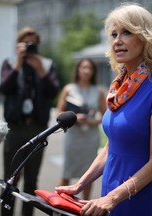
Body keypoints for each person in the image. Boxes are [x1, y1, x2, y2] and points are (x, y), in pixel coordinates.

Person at [55, 3, 152, 216]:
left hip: (137, 196)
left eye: (127, 32)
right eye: (113, 35)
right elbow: (110, 146)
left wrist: (113, 198)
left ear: (145, 38)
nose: (117, 41)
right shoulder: (118, 88)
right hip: (109, 190)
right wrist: (80, 185)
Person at [0, 27, 59, 216]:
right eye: (26, 42)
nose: (29, 46)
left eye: (33, 43)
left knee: (31, 182)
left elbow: (53, 91)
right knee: (10, 180)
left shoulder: (47, 64)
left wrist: (40, 70)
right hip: (15, 128)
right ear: (19, 44)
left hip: (38, 128)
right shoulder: (9, 63)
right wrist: (18, 64)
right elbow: (4, 89)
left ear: (38, 45)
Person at [56, 58, 106, 200]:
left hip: (90, 137)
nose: (86, 71)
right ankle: (60, 205)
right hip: (73, 136)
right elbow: (58, 113)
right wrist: (74, 117)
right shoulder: (69, 89)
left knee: (89, 174)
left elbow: (105, 116)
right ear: (78, 69)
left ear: (93, 71)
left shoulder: (99, 91)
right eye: (83, 67)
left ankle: (84, 206)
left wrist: (91, 121)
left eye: (89, 68)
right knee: (67, 172)